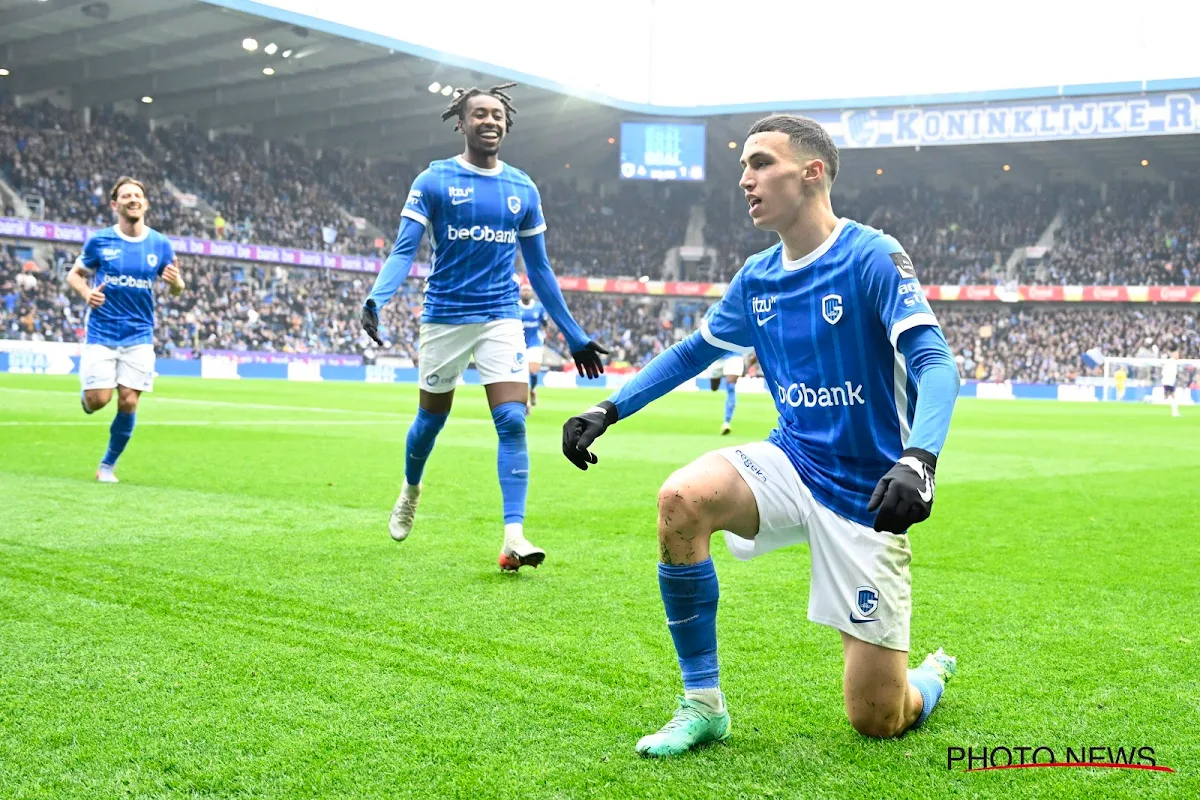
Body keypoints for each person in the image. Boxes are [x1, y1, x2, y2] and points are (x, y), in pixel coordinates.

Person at [562, 115, 961, 756]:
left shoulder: (872, 256)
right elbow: (694, 353)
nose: (745, 179)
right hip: (792, 459)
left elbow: (936, 364)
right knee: (681, 499)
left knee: (878, 718)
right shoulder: (757, 276)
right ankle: (702, 704)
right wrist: (610, 408)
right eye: (743, 167)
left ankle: (929, 676)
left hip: (868, 491)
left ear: (812, 172)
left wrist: (919, 458)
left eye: (760, 162)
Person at [361, 82, 607, 571]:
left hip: (501, 316)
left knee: (513, 420)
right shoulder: (432, 181)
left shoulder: (523, 188)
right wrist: (377, 297)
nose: (490, 121)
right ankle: (411, 488)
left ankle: (514, 534)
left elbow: (539, 270)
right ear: (462, 122)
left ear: (507, 124)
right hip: (445, 317)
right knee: (429, 424)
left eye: (497, 114)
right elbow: (404, 249)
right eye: (480, 114)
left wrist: (574, 333)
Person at [66, 176, 185, 483]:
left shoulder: (160, 244)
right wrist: (86, 293)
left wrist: (176, 283)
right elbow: (75, 276)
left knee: (129, 399)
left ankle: (107, 465)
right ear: (115, 204)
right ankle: (87, 397)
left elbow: (177, 288)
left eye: (138, 195)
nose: (133, 199)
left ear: (145, 203)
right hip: (102, 332)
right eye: (126, 196)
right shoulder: (100, 241)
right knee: (98, 401)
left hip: (139, 334)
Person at [518, 281, 548, 410]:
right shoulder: (515, 307)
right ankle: (526, 403)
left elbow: (545, 324)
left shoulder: (539, 307)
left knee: (533, 372)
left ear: (531, 293)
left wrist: (544, 334)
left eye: (528, 290)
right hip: (518, 344)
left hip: (535, 343)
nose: (526, 292)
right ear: (520, 292)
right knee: (522, 374)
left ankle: (533, 389)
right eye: (523, 290)